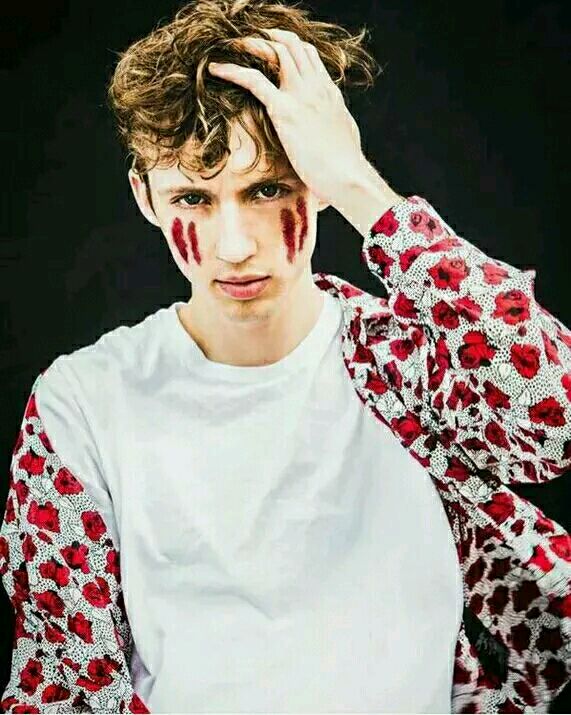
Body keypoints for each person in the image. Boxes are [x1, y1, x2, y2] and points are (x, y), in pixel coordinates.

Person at [1, 0, 570, 712]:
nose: (235, 244)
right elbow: (66, 685)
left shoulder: (405, 365)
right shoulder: (83, 406)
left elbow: (552, 419)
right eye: (193, 198)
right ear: (144, 197)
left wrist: (357, 183)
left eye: (268, 188)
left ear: (316, 183)